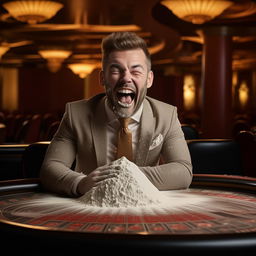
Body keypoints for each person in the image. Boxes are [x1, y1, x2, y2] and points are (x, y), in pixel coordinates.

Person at [40, 32, 192, 196]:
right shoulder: (76, 114)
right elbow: (50, 168)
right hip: (91, 207)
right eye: (116, 70)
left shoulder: (167, 116)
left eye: (136, 71)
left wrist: (127, 175)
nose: (126, 78)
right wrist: (81, 183)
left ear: (149, 79)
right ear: (102, 78)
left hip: (145, 207)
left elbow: (183, 171)